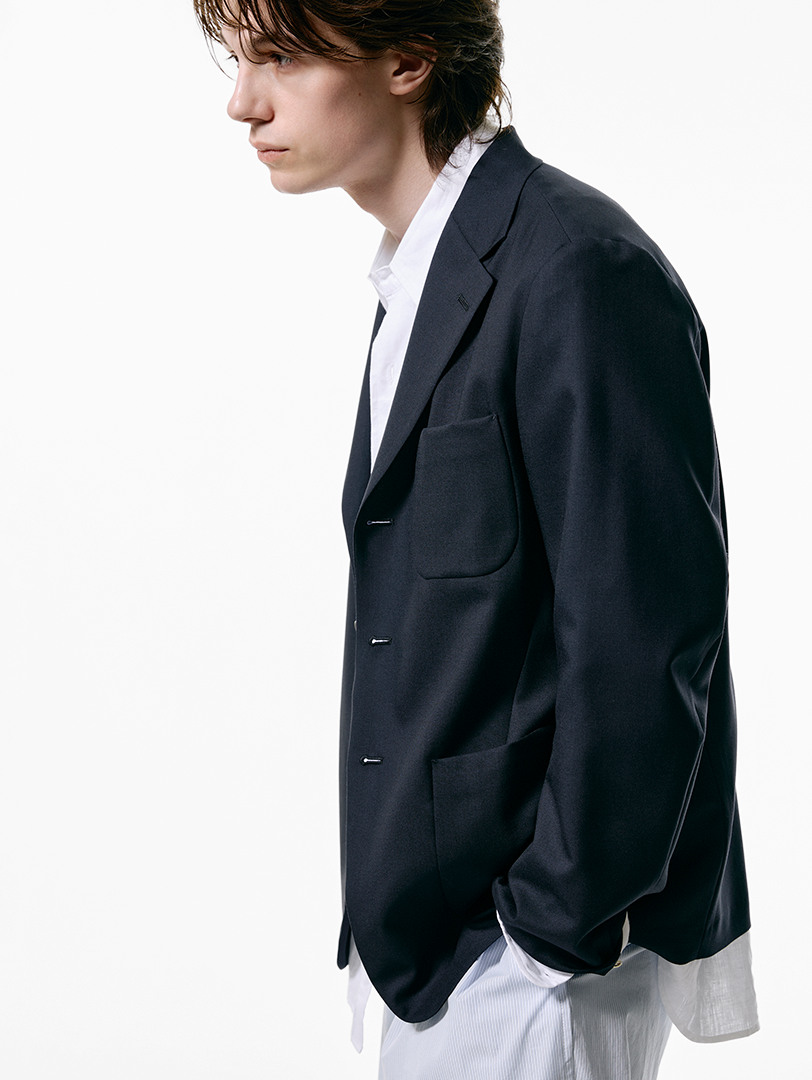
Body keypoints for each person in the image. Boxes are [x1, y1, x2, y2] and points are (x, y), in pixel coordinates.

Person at [192, 1, 759, 1076]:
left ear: (409, 58)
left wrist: (550, 932)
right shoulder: (418, 273)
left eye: (281, 58)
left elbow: (649, 643)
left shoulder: (579, 268)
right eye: (240, 59)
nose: (242, 103)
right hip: (434, 946)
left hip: (529, 967)